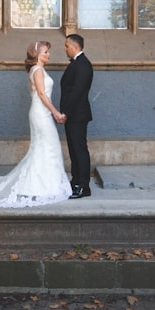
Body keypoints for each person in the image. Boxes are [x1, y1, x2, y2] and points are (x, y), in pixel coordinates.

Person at [0, 41, 72, 208]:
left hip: (41, 112)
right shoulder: (37, 70)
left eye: (48, 52)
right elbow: (42, 95)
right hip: (41, 113)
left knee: (46, 147)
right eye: (45, 52)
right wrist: (56, 112)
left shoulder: (39, 70)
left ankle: (44, 182)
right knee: (47, 146)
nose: (48, 54)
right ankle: (39, 184)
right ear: (36, 54)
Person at [58, 33, 93, 198]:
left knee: (79, 150)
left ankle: (83, 186)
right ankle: (75, 181)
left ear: (75, 47)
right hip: (73, 115)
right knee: (74, 150)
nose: (65, 49)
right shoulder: (77, 64)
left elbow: (77, 92)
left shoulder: (83, 65)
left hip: (77, 115)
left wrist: (65, 112)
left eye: (67, 46)